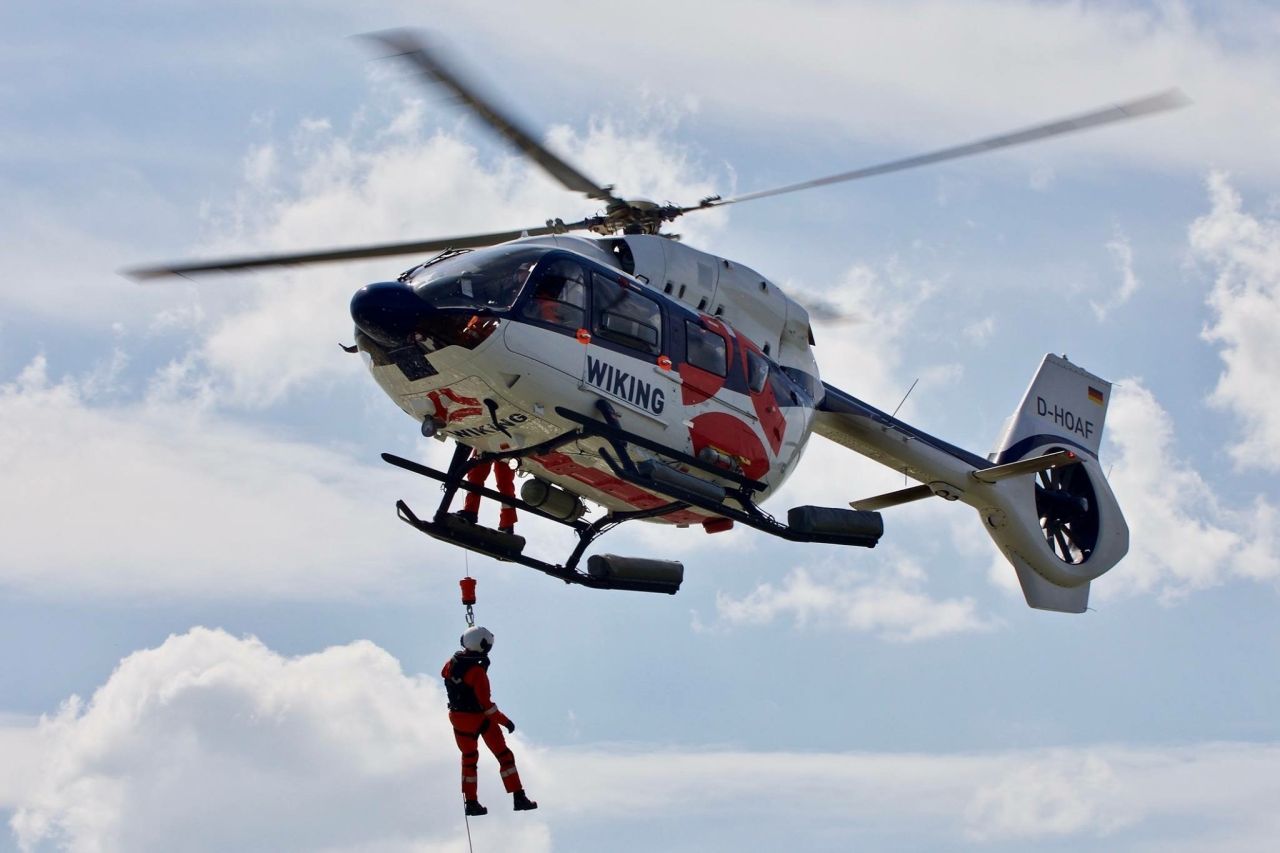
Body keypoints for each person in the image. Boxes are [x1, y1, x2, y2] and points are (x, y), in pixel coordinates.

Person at [442, 626, 538, 816]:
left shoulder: (450, 664)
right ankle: (518, 797)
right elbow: (487, 706)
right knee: (504, 756)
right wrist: (506, 722)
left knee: (469, 760)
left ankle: (471, 803)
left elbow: (453, 679)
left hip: (458, 720)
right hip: (479, 718)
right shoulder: (477, 673)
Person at [455, 453, 518, 534]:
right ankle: (507, 523)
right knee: (504, 482)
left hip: (493, 446)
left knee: (477, 473)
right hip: (509, 448)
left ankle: (470, 511)